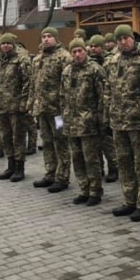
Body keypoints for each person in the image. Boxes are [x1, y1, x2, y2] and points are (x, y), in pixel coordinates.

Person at [104, 24, 140, 222]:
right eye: (119, 39)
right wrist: (107, 118)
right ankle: (129, 200)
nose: (123, 42)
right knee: (124, 163)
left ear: (133, 39)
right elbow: (108, 91)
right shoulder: (113, 61)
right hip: (119, 122)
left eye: (126, 38)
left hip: (139, 123)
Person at [61, 38, 106, 206]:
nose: (77, 54)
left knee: (91, 159)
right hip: (71, 123)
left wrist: (100, 120)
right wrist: (63, 121)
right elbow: (62, 98)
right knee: (77, 158)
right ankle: (84, 189)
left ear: (85, 52)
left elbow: (102, 98)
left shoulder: (95, 70)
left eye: (80, 51)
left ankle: (95, 190)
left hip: (89, 124)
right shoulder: (66, 72)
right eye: (74, 52)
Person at [29, 27, 72, 191]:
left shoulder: (64, 57)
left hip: (58, 112)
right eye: (44, 36)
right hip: (43, 109)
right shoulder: (38, 59)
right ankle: (50, 173)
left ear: (56, 38)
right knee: (47, 142)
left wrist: (66, 108)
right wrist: (33, 104)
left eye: (49, 36)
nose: (46, 39)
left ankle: (62, 177)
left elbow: (68, 86)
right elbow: (34, 83)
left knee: (60, 142)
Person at [0, 33, 31, 182]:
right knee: (5, 137)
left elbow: (27, 82)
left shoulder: (21, 60)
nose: (5, 46)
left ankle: (19, 167)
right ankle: (10, 166)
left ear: (13, 44)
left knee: (18, 138)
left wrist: (24, 103)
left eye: (8, 43)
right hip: (2, 107)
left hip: (16, 107)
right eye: (3, 43)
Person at [87, 35, 118, 182]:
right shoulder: (88, 63)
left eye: (96, 46)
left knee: (107, 142)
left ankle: (114, 167)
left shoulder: (109, 62)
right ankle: (98, 168)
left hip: (104, 109)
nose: (93, 49)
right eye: (91, 46)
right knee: (94, 142)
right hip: (90, 109)